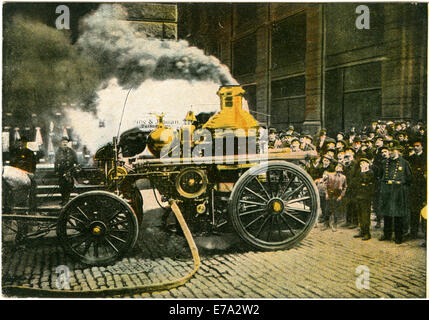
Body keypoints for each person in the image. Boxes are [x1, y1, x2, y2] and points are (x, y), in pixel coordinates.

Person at [378, 144, 412, 244]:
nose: (391, 152)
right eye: (389, 150)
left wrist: (401, 186)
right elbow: (380, 176)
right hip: (387, 190)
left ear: (397, 150)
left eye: (393, 150)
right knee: (387, 213)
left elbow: (409, 178)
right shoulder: (384, 163)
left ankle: (398, 236)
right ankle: (387, 234)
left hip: (398, 192)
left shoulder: (404, 163)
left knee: (398, 215)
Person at [9, 136, 38, 212]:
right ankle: (14, 206)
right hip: (16, 174)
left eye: (24, 143)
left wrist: (31, 173)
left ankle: (32, 207)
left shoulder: (30, 152)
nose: (22, 144)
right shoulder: (15, 152)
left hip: (27, 174)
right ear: (19, 143)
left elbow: (33, 164)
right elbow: (12, 164)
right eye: (20, 142)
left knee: (32, 187)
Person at [407, 140, 427, 239]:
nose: (416, 148)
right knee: (414, 211)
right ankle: (413, 232)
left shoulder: (426, 157)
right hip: (414, 188)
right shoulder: (411, 158)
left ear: (422, 146)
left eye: (418, 146)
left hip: (424, 188)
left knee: (425, 212)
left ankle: (426, 236)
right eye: (414, 146)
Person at [353, 158, 375, 240]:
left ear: (368, 164)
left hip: (366, 196)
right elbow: (356, 181)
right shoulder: (360, 172)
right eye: (361, 163)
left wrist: (363, 172)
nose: (361, 165)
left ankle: (367, 233)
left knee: (365, 215)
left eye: (364, 163)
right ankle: (362, 230)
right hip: (359, 195)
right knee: (360, 214)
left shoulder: (370, 172)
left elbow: (366, 180)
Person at [322, 162, 347, 232]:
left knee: (335, 211)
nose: (338, 169)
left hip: (337, 195)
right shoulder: (330, 175)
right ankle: (326, 224)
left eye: (340, 167)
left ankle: (334, 225)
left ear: (342, 170)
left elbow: (345, 187)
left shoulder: (343, 177)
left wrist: (341, 196)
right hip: (330, 193)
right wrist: (326, 193)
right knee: (327, 210)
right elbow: (325, 184)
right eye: (337, 167)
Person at [55, 136, 78, 205]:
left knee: (68, 186)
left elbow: (76, 162)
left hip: (69, 171)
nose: (65, 143)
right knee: (62, 186)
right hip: (61, 171)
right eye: (63, 142)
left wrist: (74, 167)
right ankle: (63, 200)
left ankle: (66, 200)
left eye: (66, 142)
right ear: (61, 143)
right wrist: (56, 170)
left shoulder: (71, 151)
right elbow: (56, 162)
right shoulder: (58, 151)